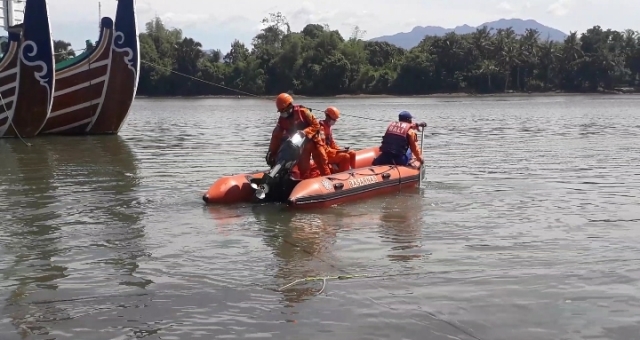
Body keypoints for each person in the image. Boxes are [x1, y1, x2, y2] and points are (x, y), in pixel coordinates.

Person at [266, 93, 331, 179]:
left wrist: (305, 132)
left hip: (314, 141)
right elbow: (276, 136)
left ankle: (330, 180)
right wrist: (271, 152)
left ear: (289, 106)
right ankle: (305, 184)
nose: (283, 113)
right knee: (303, 168)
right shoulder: (282, 120)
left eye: (284, 110)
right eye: (281, 111)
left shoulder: (303, 112)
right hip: (301, 145)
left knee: (322, 162)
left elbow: (316, 125)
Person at [319, 106, 357, 173]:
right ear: (327, 117)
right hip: (324, 155)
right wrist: (336, 152)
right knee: (345, 156)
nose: (335, 121)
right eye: (334, 120)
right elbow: (322, 147)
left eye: (335, 120)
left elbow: (332, 143)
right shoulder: (321, 128)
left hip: (330, 152)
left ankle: (353, 172)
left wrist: (340, 150)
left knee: (352, 153)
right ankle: (343, 175)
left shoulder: (329, 127)